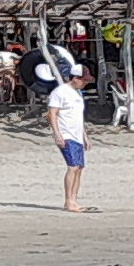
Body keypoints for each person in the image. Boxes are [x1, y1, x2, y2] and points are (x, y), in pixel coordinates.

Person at [46, 69, 92, 212]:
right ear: (75, 78)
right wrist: (57, 134)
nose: (85, 83)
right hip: (66, 134)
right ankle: (68, 200)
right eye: (83, 80)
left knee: (79, 168)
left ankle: (74, 199)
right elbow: (52, 114)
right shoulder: (60, 92)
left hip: (77, 135)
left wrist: (85, 136)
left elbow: (78, 117)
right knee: (72, 167)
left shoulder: (78, 93)